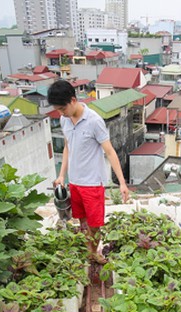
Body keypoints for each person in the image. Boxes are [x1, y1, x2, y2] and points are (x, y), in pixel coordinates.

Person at [47, 79, 129, 264]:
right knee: (81, 220)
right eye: (58, 110)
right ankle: (89, 250)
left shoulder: (94, 121)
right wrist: (62, 175)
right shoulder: (64, 120)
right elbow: (67, 147)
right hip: (74, 181)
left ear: (73, 100)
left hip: (92, 183)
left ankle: (94, 253)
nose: (61, 113)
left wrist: (122, 183)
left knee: (95, 223)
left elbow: (110, 151)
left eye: (62, 108)